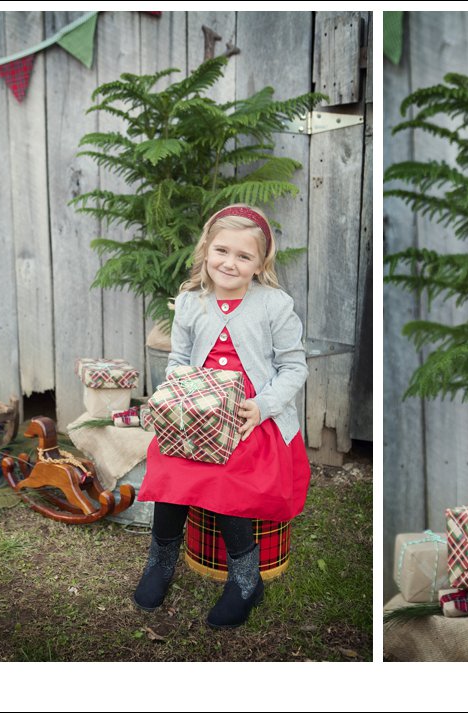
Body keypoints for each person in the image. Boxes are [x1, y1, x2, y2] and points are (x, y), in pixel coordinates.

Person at [134, 204, 310, 629]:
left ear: (260, 263)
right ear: (206, 250)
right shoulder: (193, 302)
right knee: (169, 461)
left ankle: (247, 579)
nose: (230, 263)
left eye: (243, 256)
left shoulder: (274, 304)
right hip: (198, 410)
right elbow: (178, 358)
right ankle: (161, 560)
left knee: (232, 471)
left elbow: (295, 367)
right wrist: (176, 396)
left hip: (252, 416)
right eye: (222, 251)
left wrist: (263, 406)